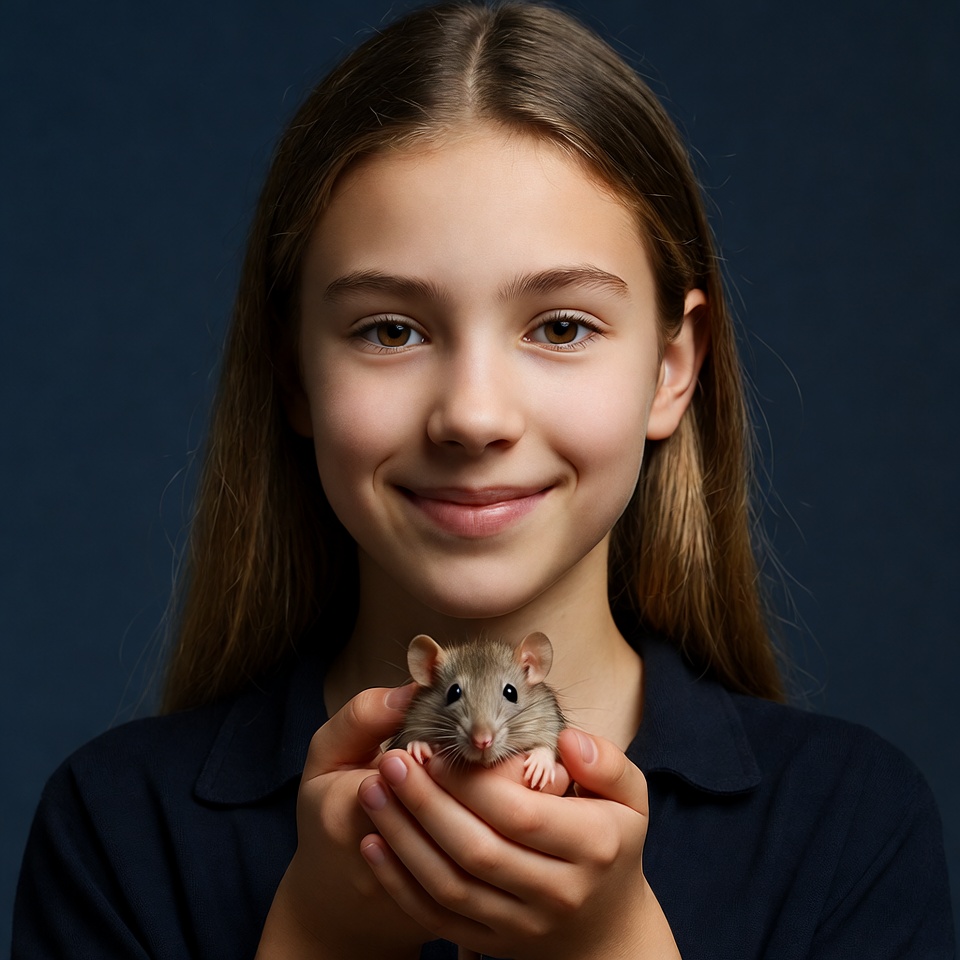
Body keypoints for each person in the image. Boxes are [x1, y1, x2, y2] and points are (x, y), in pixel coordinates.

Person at [12, 3, 954, 958]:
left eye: (561, 326)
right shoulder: (117, 831)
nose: (473, 416)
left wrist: (614, 944)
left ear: (673, 369)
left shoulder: (850, 828)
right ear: (294, 373)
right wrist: (320, 936)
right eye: (390, 328)